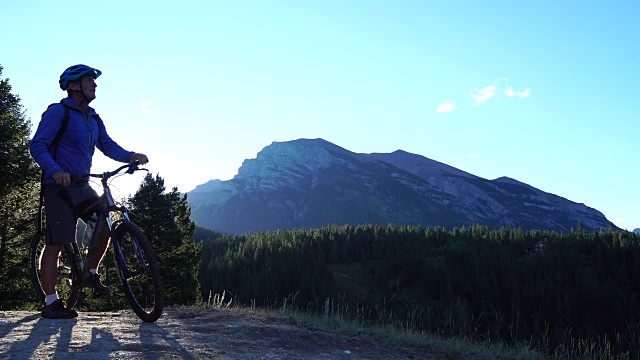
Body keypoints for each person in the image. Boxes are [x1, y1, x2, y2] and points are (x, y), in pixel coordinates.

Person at [30, 64, 149, 319]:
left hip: (83, 186)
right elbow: (37, 145)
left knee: (105, 221)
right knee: (57, 241)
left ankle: (91, 273)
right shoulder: (57, 112)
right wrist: (55, 170)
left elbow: (107, 145)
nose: (94, 85)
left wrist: (130, 156)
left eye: (94, 82)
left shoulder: (93, 118)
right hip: (59, 188)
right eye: (88, 81)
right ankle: (51, 302)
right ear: (73, 86)